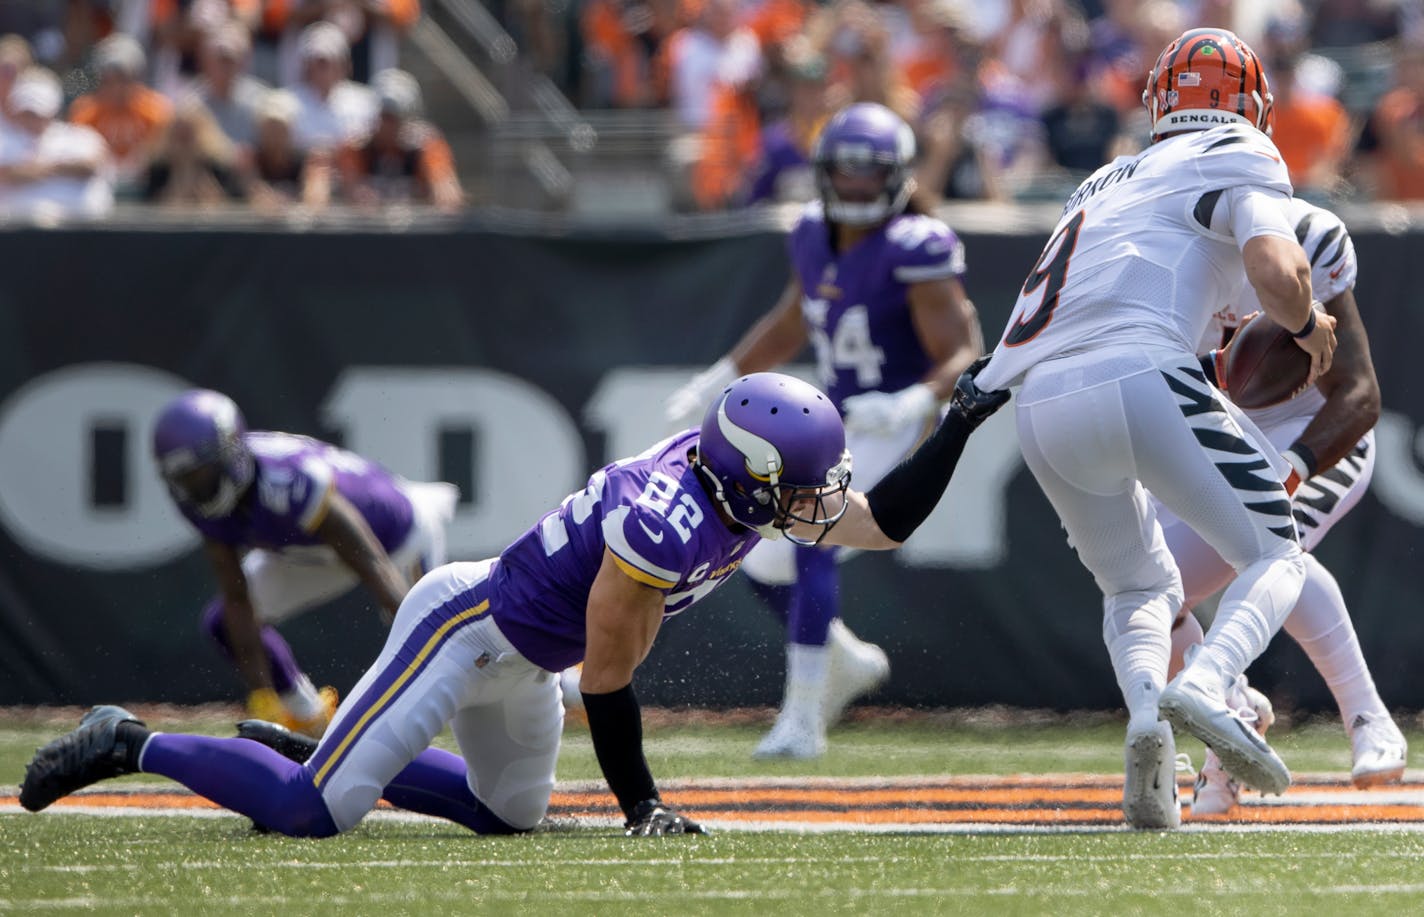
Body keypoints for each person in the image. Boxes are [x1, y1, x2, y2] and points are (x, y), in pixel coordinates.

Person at [19, 369, 1010, 837]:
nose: (817, 502)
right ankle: (126, 738)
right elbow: (612, 675)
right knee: (310, 814)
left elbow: (879, 522)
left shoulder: (732, 490)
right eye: (801, 485)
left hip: (523, 660)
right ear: (750, 476)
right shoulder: (663, 518)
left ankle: (310, 746)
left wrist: (958, 423)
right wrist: (644, 807)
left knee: (505, 816)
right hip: (466, 627)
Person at [972, 28, 1339, 831]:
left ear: (1159, 104)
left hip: (1042, 401)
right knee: (1276, 550)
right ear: (1250, 105)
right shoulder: (1240, 147)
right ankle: (1212, 684)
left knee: (1137, 585)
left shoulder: (1102, 180)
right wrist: (1310, 324)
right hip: (1140, 370)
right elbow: (1280, 274)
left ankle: (1148, 723)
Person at [665, 102, 984, 759]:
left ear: (896, 176)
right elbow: (792, 320)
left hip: (895, 423)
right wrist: (721, 372)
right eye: (845, 171)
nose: (857, 185)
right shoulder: (811, 232)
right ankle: (840, 654)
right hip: (835, 416)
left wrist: (909, 399)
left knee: (811, 531)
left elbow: (964, 349)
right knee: (749, 541)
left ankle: (804, 717)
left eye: (871, 174)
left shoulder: (916, 245)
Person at [1170, 198, 1406, 815]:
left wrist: (1293, 467)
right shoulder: (1161, 238)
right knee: (1150, 586)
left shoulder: (1308, 235)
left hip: (1310, 431)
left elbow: (1357, 392)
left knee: (1275, 546)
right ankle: (1236, 708)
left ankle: (1357, 721)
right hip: (1217, 430)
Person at [150, 389, 458, 737]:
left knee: (436, 648)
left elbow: (372, 564)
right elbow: (238, 600)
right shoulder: (200, 499)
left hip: (397, 537)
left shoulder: (290, 481)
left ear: (229, 452)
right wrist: (264, 696)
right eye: (184, 478)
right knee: (225, 623)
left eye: (200, 473)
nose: (193, 487)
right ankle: (308, 719)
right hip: (310, 551)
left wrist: (420, 640)